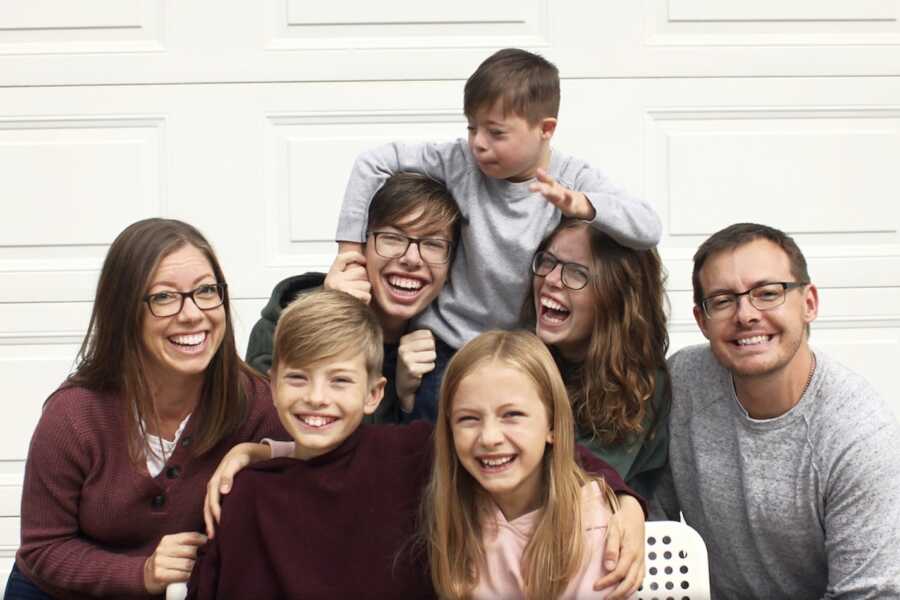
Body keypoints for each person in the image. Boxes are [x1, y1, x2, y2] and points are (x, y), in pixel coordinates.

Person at [197, 291, 648, 599]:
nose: (317, 397)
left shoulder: (412, 452)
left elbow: (540, 449)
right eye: (299, 378)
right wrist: (261, 452)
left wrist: (626, 501)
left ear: (374, 393)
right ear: (272, 385)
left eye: (339, 380)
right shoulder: (248, 492)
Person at [335, 48, 662, 419]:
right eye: (472, 127)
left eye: (495, 132)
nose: (478, 142)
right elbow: (372, 163)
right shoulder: (459, 161)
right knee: (434, 436)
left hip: (520, 351)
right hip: (443, 342)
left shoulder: (571, 179)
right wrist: (351, 255)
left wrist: (583, 206)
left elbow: (648, 227)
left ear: (546, 129)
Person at [7, 219, 285, 600]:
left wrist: (259, 450)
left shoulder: (256, 404)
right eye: (164, 297)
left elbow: (325, 464)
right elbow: (43, 549)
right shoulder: (73, 416)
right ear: (124, 312)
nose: (192, 314)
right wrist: (142, 572)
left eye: (206, 290)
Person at [653, 223, 900, 598]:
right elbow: (653, 523)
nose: (745, 314)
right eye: (722, 300)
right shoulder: (683, 383)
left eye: (768, 293)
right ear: (702, 320)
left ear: (809, 303)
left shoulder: (859, 436)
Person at [245, 172, 460, 422]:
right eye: (392, 238)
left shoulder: (449, 348)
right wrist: (330, 322)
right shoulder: (281, 326)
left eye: (433, 244)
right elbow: (279, 436)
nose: (411, 259)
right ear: (361, 246)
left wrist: (408, 401)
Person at [425, 329, 620, 600]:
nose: (490, 438)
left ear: (552, 425)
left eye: (512, 415)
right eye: (468, 418)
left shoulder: (590, 522)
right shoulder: (456, 509)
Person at [523, 219, 670, 499]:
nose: (551, 279)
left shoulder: (642, 385)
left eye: (577, 273)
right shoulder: (522, 359)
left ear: (618, 297)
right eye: (547, 261)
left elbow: (573, 489)